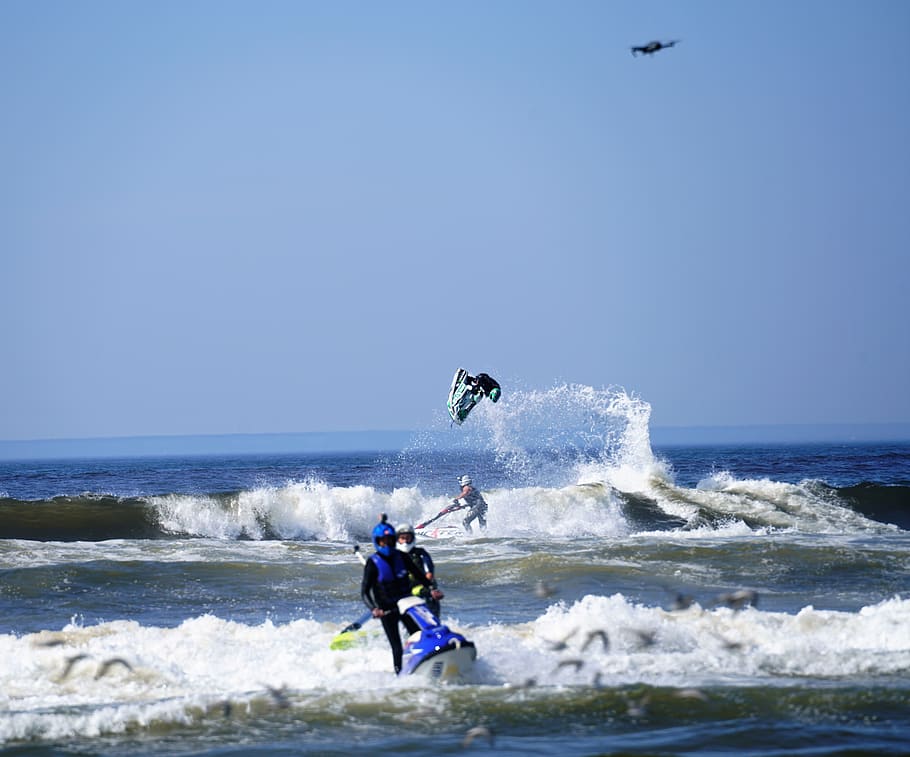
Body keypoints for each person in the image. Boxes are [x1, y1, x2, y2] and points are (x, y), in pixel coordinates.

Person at [361, 515, 444, 674]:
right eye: (382, 541)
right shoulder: (373, 562)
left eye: (389, 540)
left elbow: (420, 576)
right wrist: (373, 609)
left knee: (417, 634)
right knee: (396, 646)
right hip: (387, 610)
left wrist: (432, 589)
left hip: (406, 605)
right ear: (377, 542)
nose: (386, 544)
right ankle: (400, 675)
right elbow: (365, 591)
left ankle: (423, 660)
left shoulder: (403, 557)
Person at [395, 523, 441, 617]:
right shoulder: (394, 556)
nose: (405, 541)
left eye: (408, 538)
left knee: (428, 593)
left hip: (421, 587)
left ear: (412, 538)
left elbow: (429, 569)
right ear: (397, 539)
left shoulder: (420, 553)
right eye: (402, 538)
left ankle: (434, 620)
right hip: (402, 590)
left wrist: (429, 574)